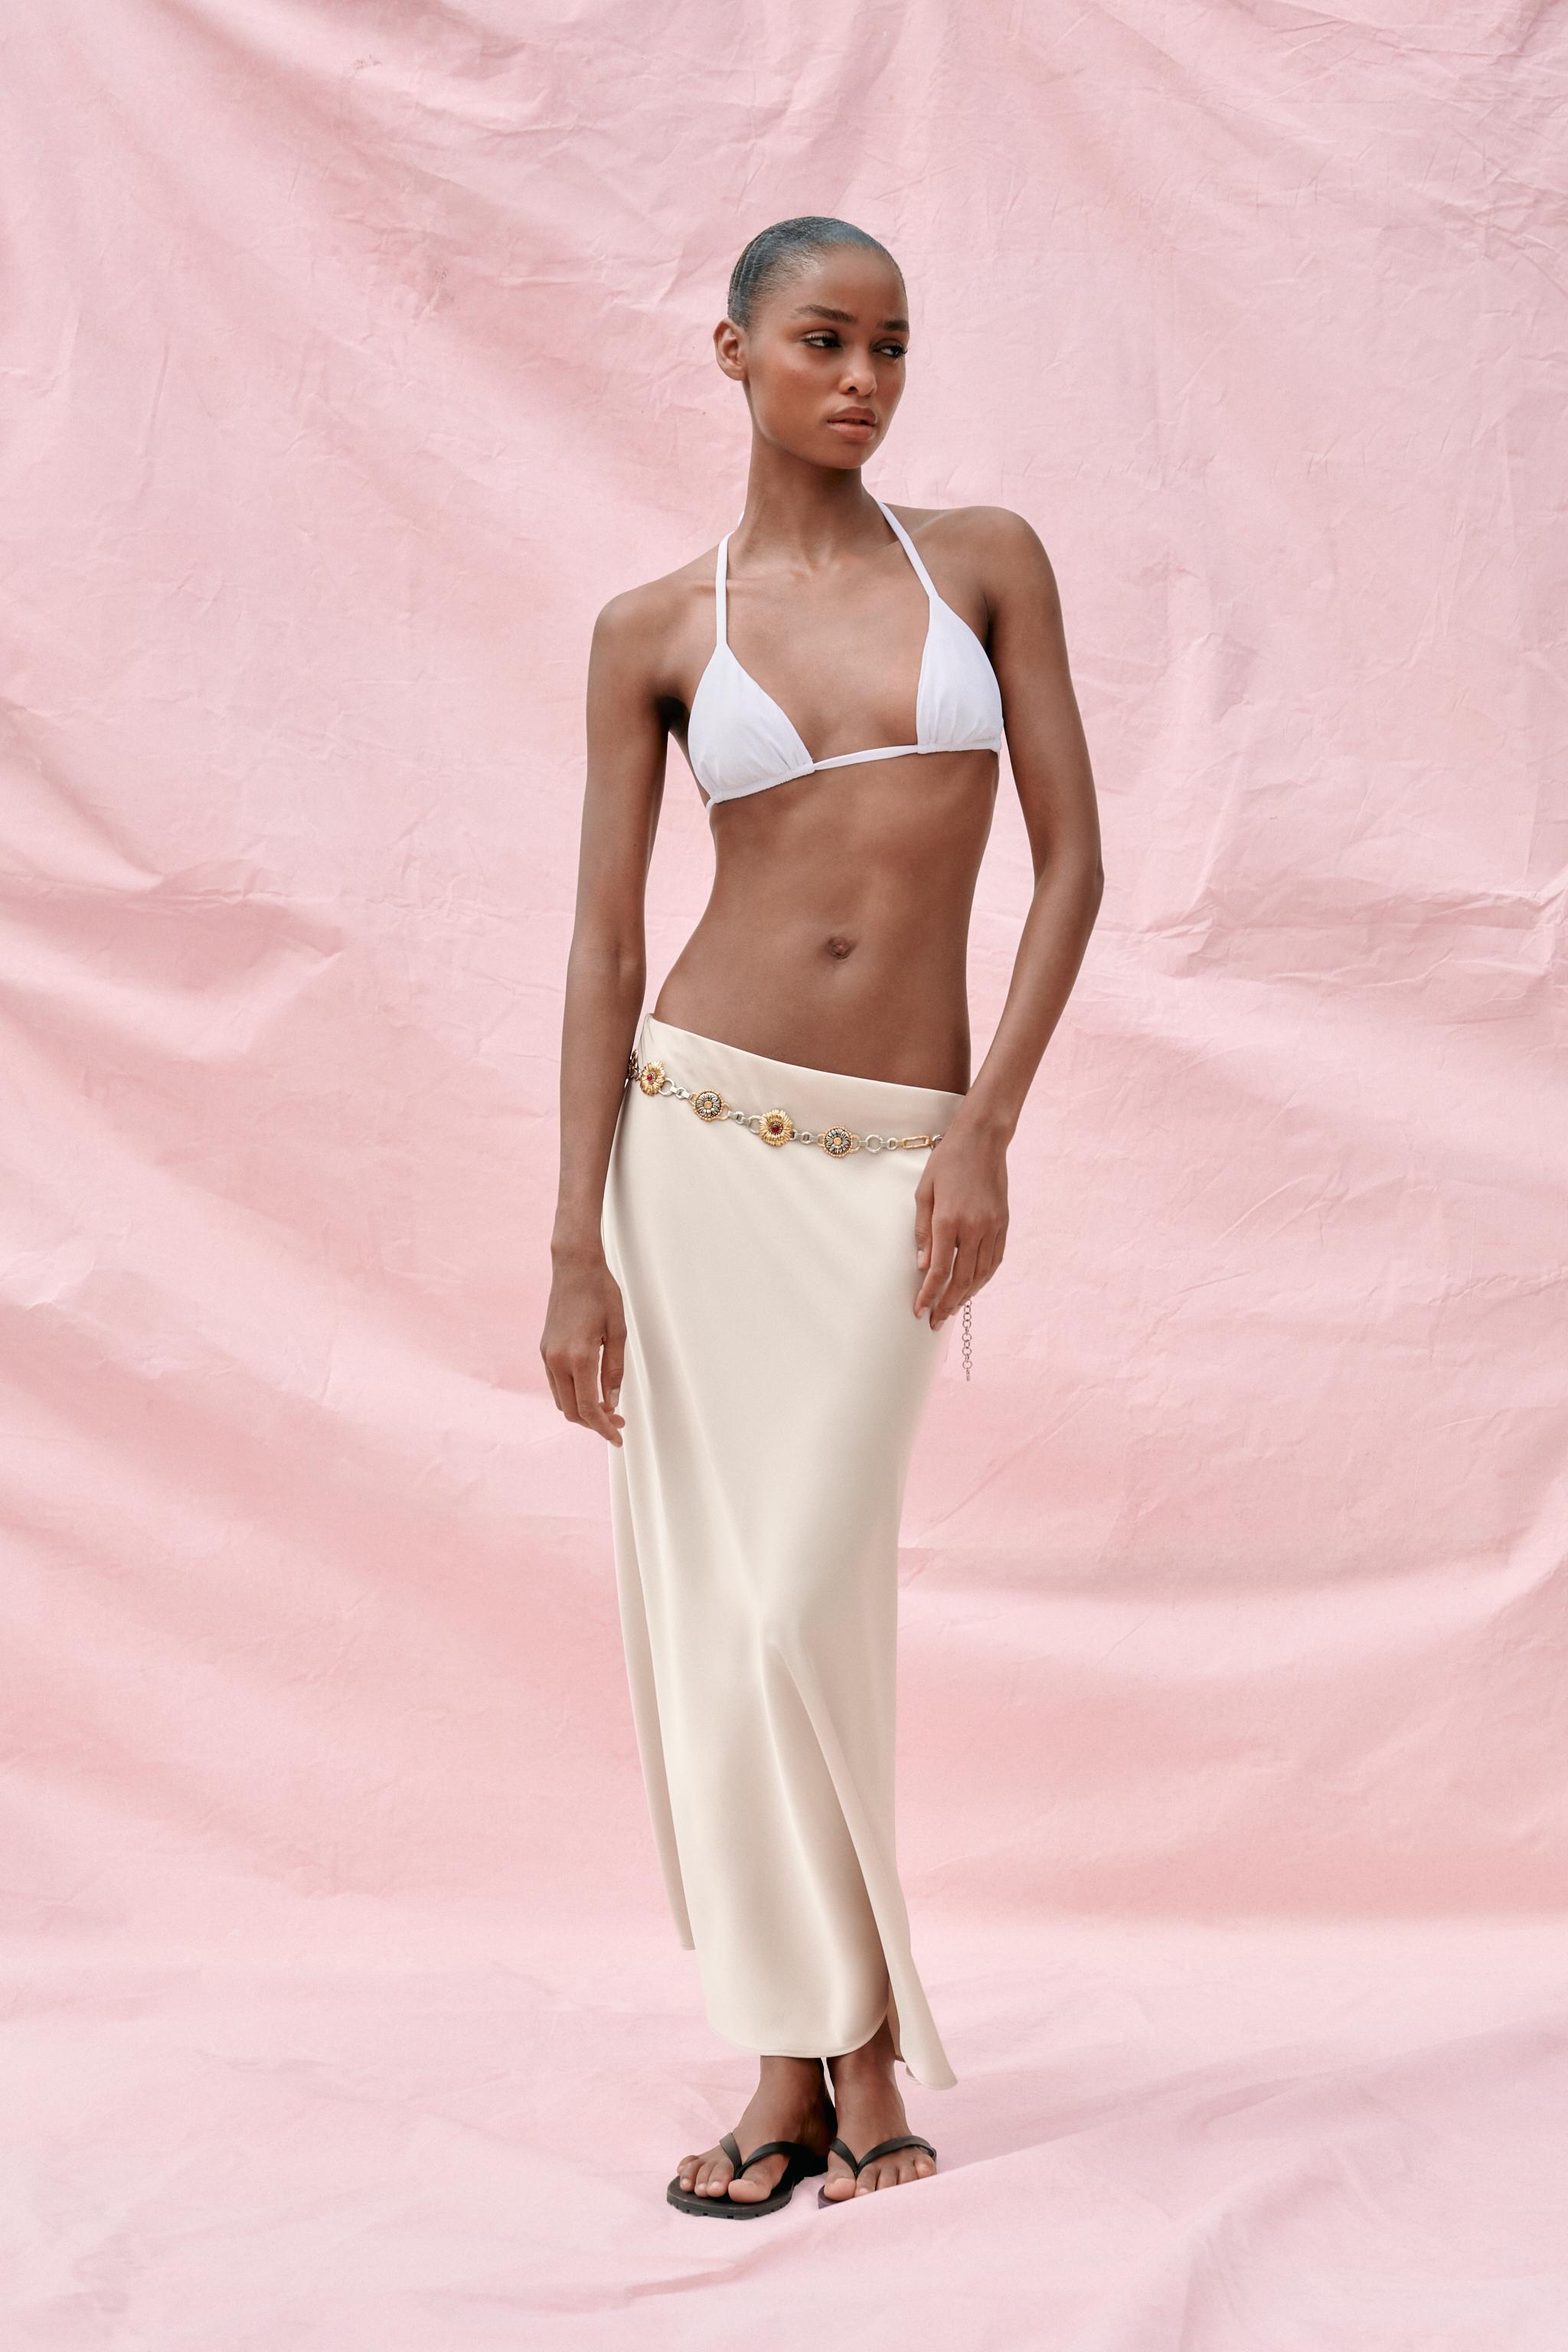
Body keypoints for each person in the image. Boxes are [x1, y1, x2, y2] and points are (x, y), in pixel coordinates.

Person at [541, 214, 1102, 2216]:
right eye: (823, 342)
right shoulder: (651, 631)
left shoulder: (985, 565)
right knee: (723, 1620)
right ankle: (804, 2064)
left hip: (893, 1158)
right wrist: (572, 1244)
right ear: (734, 353)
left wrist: (986, 1130)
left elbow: (1073, 865)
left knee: (802, 1597)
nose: (864, 381)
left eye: (891, 346)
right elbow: (606, 949)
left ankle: (842, 2041)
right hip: (695, 1140)